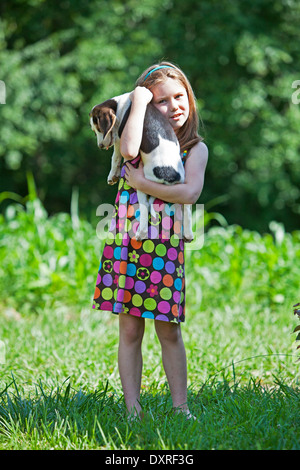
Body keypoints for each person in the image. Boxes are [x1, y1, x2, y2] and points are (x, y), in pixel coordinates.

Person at [93, 61, 208, 420]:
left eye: (179, 97)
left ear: (189, 99)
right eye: (161, 101)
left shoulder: (195, 148)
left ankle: (181, 407)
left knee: (168, 329)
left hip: (163, 243)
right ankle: (133, 409)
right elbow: (127, 151)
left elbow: (189, 193)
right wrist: (138, 102)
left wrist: (143, 185)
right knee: (129, 328)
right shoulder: (137, 136)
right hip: (128, 239)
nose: (173, 106)